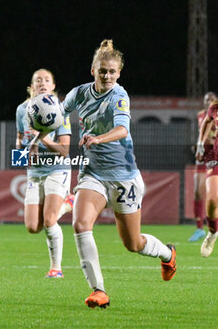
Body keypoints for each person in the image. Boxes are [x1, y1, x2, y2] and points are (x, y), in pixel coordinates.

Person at [62, 39, 177, 308]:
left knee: (133, 244)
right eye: (103, 70)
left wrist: (97, 139)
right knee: (80, 225)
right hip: (93, 174)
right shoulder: (79, 93)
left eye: (112, 71)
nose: (107, 76)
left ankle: (167, 253)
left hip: (123, 176)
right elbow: (58, 112)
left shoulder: (119, 96)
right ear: (93, 70)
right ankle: (98, 290)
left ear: (119, 73)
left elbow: (122, 130)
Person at [16, 68, 74, 278]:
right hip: (35, 173)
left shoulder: (60, 110)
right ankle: (69, 203)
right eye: (37, 80)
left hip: (57, 170)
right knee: (33, 226)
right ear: (32, 87)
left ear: (53, 86)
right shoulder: (22, 110)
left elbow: (65, 150)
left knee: (50, 221)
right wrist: (24, 146)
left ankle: (56, 269)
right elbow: (19, 142)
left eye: (46, 80)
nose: (42, 83)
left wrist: (41, 139)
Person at [189, 92, 217, 242]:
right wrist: (198, 145)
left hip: (215, 154)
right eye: (206, 100)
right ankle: (199, 228)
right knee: (197, 191)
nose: (208, 102)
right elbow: (201, 132)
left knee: (213, 195)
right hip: (203, 156)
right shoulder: (201, 115)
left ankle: (213, 226)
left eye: (211, 100)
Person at [195, 92, 218, 257]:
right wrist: (200, 143)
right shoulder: (214, 108)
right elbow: (207, 121)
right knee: (211, 200)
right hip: (215, 157)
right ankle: (212, 232)